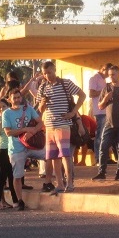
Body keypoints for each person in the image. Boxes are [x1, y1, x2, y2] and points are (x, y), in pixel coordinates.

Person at [36, 61, 86, 194]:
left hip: (63, 125)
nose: (48, 76)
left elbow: (82, 95)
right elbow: (39, 109)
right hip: (49, 126)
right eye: (45, 73)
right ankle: (59, 183)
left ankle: (69, 183)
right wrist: (43, 103)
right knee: (53, 156)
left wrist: (73, 112)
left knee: (65, 155)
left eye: (50, 73)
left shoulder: (66, 83)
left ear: (55, 70)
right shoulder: (42, 87)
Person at [2, 88, 45, 211]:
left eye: (18, 97)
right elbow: (8, 132)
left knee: (49, 156)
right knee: (17, 175)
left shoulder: (29, 109)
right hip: (16, 148)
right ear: (9, 99)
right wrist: (25, 130)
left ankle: (49, 182)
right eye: (14, 97)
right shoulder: (7, 113)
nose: (17, 100)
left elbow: (40, 123)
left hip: (32, 145)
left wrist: (33, 132)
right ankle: (20, 200)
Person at [92, 65, 119, 181]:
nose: (111, 77)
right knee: (103, 147)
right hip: (109, 123)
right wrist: (106, 98)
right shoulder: (106, 88)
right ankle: (102, 173)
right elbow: (100, 106)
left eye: (114, 74)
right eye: (110, 75)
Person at [0, 99, 19, 210]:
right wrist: (2, 121)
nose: (1, 109)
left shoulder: (13, 117)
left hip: (12, 149)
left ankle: (15, 200)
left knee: (12, 175)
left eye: (4, 106)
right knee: (2, 174)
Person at [88, 63, 112, 166]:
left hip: (107, 111)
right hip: (100, 112)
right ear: (103, 69)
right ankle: (98, 159)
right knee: (100, 135)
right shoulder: (94, 78)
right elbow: (91, 93)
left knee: (106, 136)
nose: (110, 74)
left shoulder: (104, 80)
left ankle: (106, 157)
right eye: (108, 72)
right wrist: (104, 93)